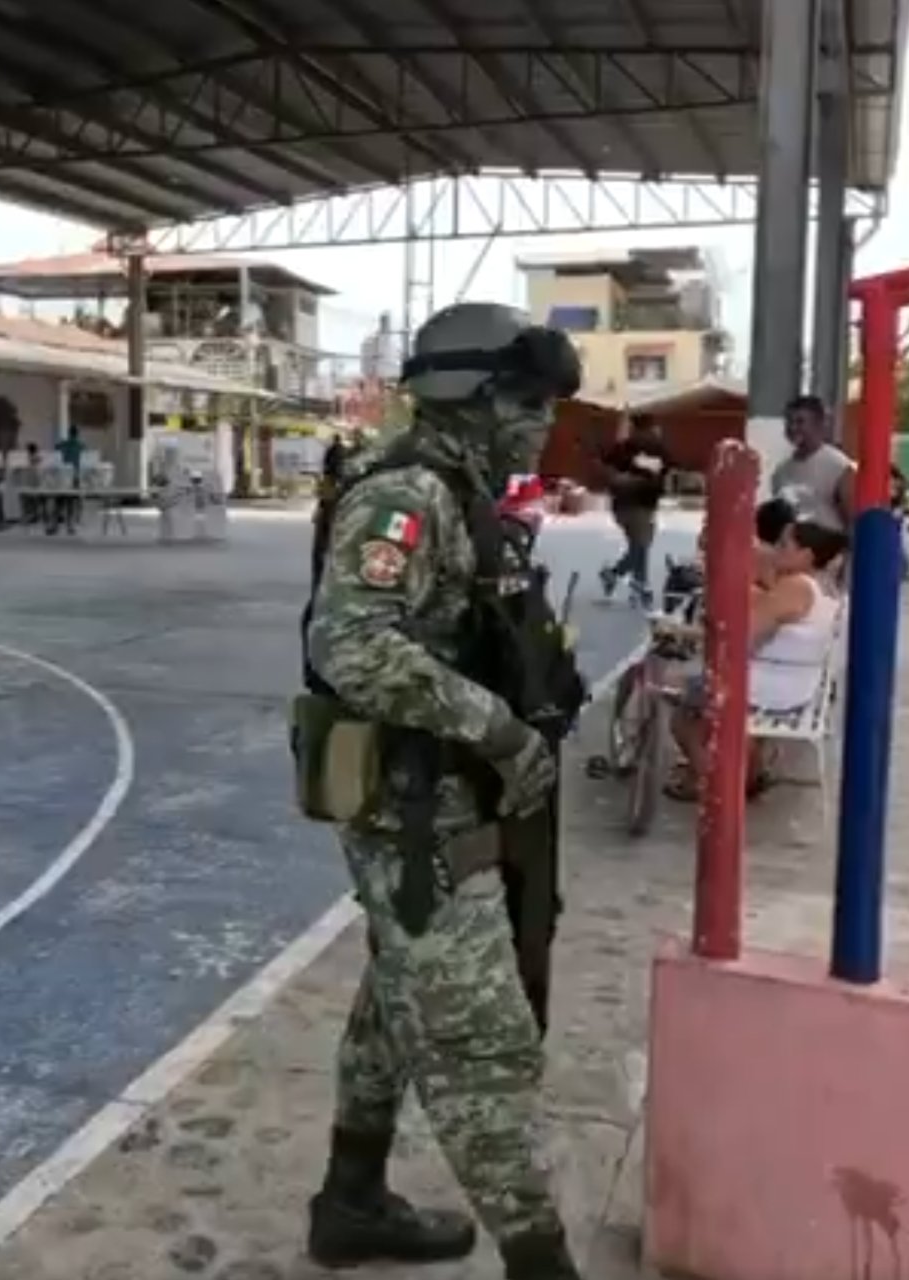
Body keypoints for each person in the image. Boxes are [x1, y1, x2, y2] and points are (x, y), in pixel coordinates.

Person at [300, 301, 589, 1279]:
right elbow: (350, 645)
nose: (542, 423)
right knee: (481, 1040)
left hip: (447, 795)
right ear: (472, 396)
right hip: (416, 804)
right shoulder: (409, 496)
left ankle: (351, 1199)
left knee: (395, 993)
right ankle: (540, 1259)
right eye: (528, 401)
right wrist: (498, 729)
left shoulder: (463, 493)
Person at [665, 518, 848, 801]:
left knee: (682, 714)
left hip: (769, 688)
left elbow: (743, 633)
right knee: (703, 691)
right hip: (799, 686)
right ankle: (745, 772)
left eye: (785, 545)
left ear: (806, 555)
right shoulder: (825, 587)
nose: (775, 550)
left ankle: (714, 783)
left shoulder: (797, 587)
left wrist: (693, 630)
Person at [598, 412, 670, 606]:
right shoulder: (655, 447)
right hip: (641, 504)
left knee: (639, 546)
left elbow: (606, 464)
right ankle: (615, 575)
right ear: (651, 427)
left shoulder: (623, 447)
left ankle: (639, 586)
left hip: (621, 505)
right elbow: (665, 473)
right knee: (641, 547)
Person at [771, 395, 856, 534]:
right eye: (789, 422)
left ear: (819, 424)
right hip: (793, 552)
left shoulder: (839, 467)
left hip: (830, 550)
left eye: (800, 422)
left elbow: (853, 520)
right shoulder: (781, 471)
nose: (793, 428)